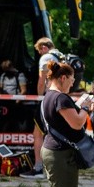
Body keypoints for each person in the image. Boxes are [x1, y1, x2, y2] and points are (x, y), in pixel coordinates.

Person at [39, 60, 93, 187]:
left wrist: (77, 106)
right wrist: (85, 107)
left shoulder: (48, 96)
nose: (72, 84)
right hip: (61, 155)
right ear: (62, 78)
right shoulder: (60, 98)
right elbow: (77, 123)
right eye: (71, 80)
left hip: (50, 150)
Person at [21, 37, 61, 179]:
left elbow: (41, 79)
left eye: (39, 50)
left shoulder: (46, 58)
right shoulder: (61, 57)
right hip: (61, 100)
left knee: (37, 134)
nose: (39, 53)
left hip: (48, 98)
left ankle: (38, 168)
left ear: (44, 47)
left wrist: (39, 97)